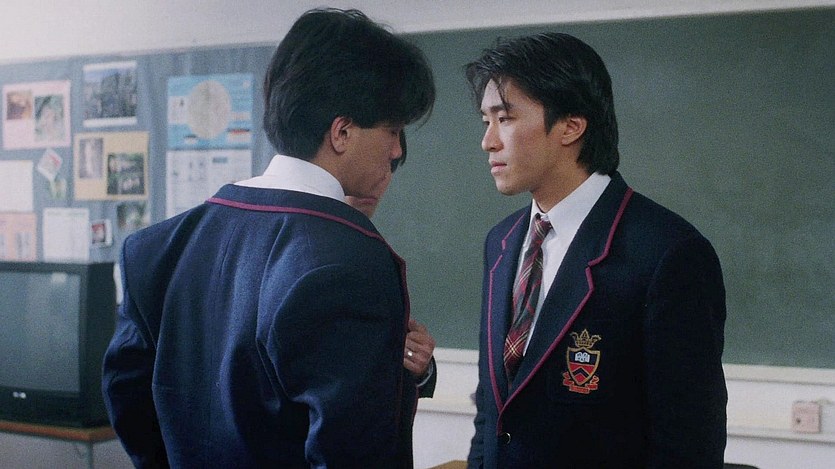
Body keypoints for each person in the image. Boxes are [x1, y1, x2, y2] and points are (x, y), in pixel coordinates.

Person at [102, 8, 435, 468]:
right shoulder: (352, 259)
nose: (397, 149)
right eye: (392, 130)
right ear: (342, 133)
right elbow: (352, 451)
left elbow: (127, 400)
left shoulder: (155, 249)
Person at [465, 33, 727, 468]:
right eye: (485, 121)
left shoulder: (667, 252)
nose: (488, 141)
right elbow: (492, 415)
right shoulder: (502, 241)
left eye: (505, 119)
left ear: (571, 125)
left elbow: (689, 446)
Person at [345, 131, 437, 398]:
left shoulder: (378, 254)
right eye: (371, 162)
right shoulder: (304, 246)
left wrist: (419, 366)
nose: (381, 177)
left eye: (391, 166)